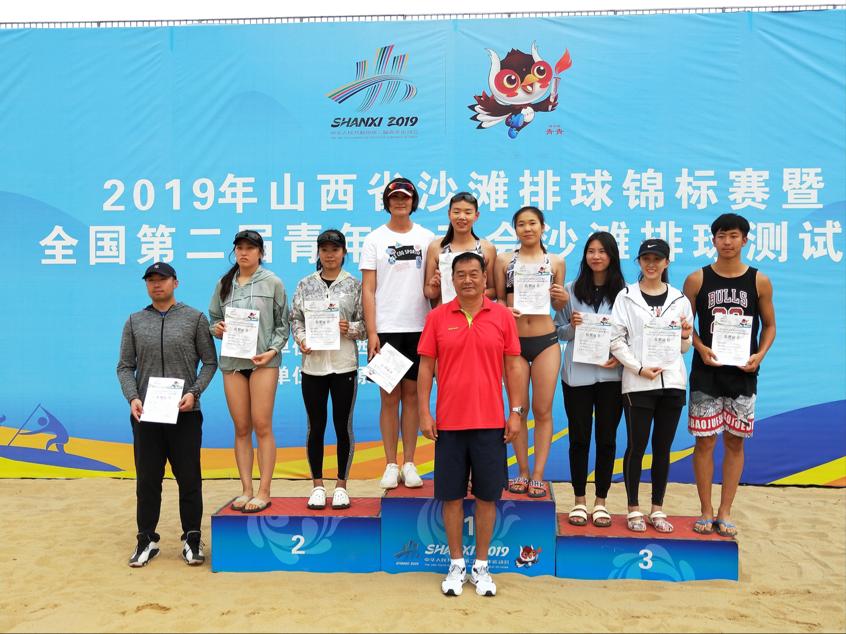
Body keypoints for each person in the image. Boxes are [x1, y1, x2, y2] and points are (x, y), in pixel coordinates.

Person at [417, 252, 525, 597]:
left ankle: (481, 565)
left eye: (473, 274)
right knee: (451, 496)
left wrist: (516, 411)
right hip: (449, 423)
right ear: (452, 279)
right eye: (460, 274)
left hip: (491, 422)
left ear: (484, 278)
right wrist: (424, 412)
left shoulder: (502, 316)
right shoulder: (437, 317)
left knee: (486, 496)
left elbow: (513, 366)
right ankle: (455, 564)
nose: (467, 280)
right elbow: (425, 368)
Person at [117, 262, 217, 567]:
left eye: (162, 279)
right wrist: (133, 397)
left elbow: (209, 362)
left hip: (185, 413)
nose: (156, 284)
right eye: (151, 280)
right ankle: (146, 539)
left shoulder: (195, 318)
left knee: (189, 478)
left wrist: (194, 392)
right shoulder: (134, 321)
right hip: (146, 415)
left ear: (176, 282)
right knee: (147, 479)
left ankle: (192, 539)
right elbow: (125, 366)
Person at [683, 213, 776, 538]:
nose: (727, 242)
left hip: (742, 373)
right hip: (706, 372)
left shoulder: (759, 281)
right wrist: (699, 347)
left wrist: (759, 355)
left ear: (745, 240)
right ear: (713, 240)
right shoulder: (697, 279)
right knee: (705, 441)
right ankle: (706, 510)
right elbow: (684, 326)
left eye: (734, 236)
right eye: (721, 236)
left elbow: (770, 325)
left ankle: (725, 511)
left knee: (735, 442)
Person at [610, 239, 693, 533]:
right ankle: (633, 508)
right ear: (639, 262)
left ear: (667, 262)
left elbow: (684, 347)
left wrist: (685, 335)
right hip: (638, 383)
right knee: (636, 446)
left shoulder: (680, 299)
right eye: (646, 258)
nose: (651, 264)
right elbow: (616, 340)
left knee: (662, 448)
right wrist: (638, 368)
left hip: (672, 383)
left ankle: (657, 508)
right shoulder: (626, 296)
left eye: (657, 259)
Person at [360, 177, 434, 489]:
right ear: (387, 202)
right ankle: (390, 463)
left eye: (405, 197)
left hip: (420, 327)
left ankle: (410, 462)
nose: (400, 202)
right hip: (386, 329)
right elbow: (368, 288)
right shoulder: (374, 239)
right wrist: (372, 332)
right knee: (389, 398)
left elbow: (434, 284)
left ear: (413, 202)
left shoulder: (427, 238)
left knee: (413, 397)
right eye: (394, 198)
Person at [209, 230, 290, 514]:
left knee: (262, 425)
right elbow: (213, 318)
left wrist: (273, 350)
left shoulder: (272, 282)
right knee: (241, 427)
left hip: (262, 363)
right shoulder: (224, 284)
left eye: (250, 248)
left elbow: (283, 324)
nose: (244, 252)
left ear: (260, 253)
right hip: (232, 363)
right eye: (240, 248)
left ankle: (264, 491)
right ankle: (246, 489)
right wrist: (217, 329)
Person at [494, 206, 568, 498]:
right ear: (515, 229)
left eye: (532, 223)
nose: (527, 229)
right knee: (519, 409)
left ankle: (538, 474)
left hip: (546, 341)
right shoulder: (504, 260)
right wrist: (503, 309)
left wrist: (562, 298)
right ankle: (523, 471)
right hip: (513, 343)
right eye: (521, 224)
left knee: (543, 409)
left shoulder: (555, 261)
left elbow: (559, 305)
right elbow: (499, 299)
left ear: (542, 227)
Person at [554, 232, 626, 528]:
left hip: (612, 376)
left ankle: (601, 502)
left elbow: (631, 335)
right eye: (591, 251)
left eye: (602, 251)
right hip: (577, 377)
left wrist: (621, 357)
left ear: (612, 256)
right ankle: (579, 500)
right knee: (579, 439)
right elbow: (557, 331)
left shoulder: (625, 294)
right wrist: (572, 327)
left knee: (607, 440)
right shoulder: (570, 291)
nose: (596, 256)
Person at [291, 229, 366, 511]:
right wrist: (301, 340)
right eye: (324, 250)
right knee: (316, 426)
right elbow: (295, 320)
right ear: (318, 253)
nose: (330, 255)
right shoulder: (305, 284)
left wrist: (351, 328)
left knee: (343, 426)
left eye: (335, 249)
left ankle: (342, 486)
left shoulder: (354, 285)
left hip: (344, 364)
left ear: (344, 252)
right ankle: (318, 486)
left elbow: (366, 324)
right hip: (313, 367)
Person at [423, 191, 497, 305]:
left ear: (476, 216)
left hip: (476, 312)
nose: (462, 217)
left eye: (468, 212)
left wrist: (475, 292)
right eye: (456, 212)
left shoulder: (487, 248)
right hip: (446, 312)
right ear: (449, 214)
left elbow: (494, 291)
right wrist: (434, 287)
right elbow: (428, 291)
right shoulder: (436, 247)